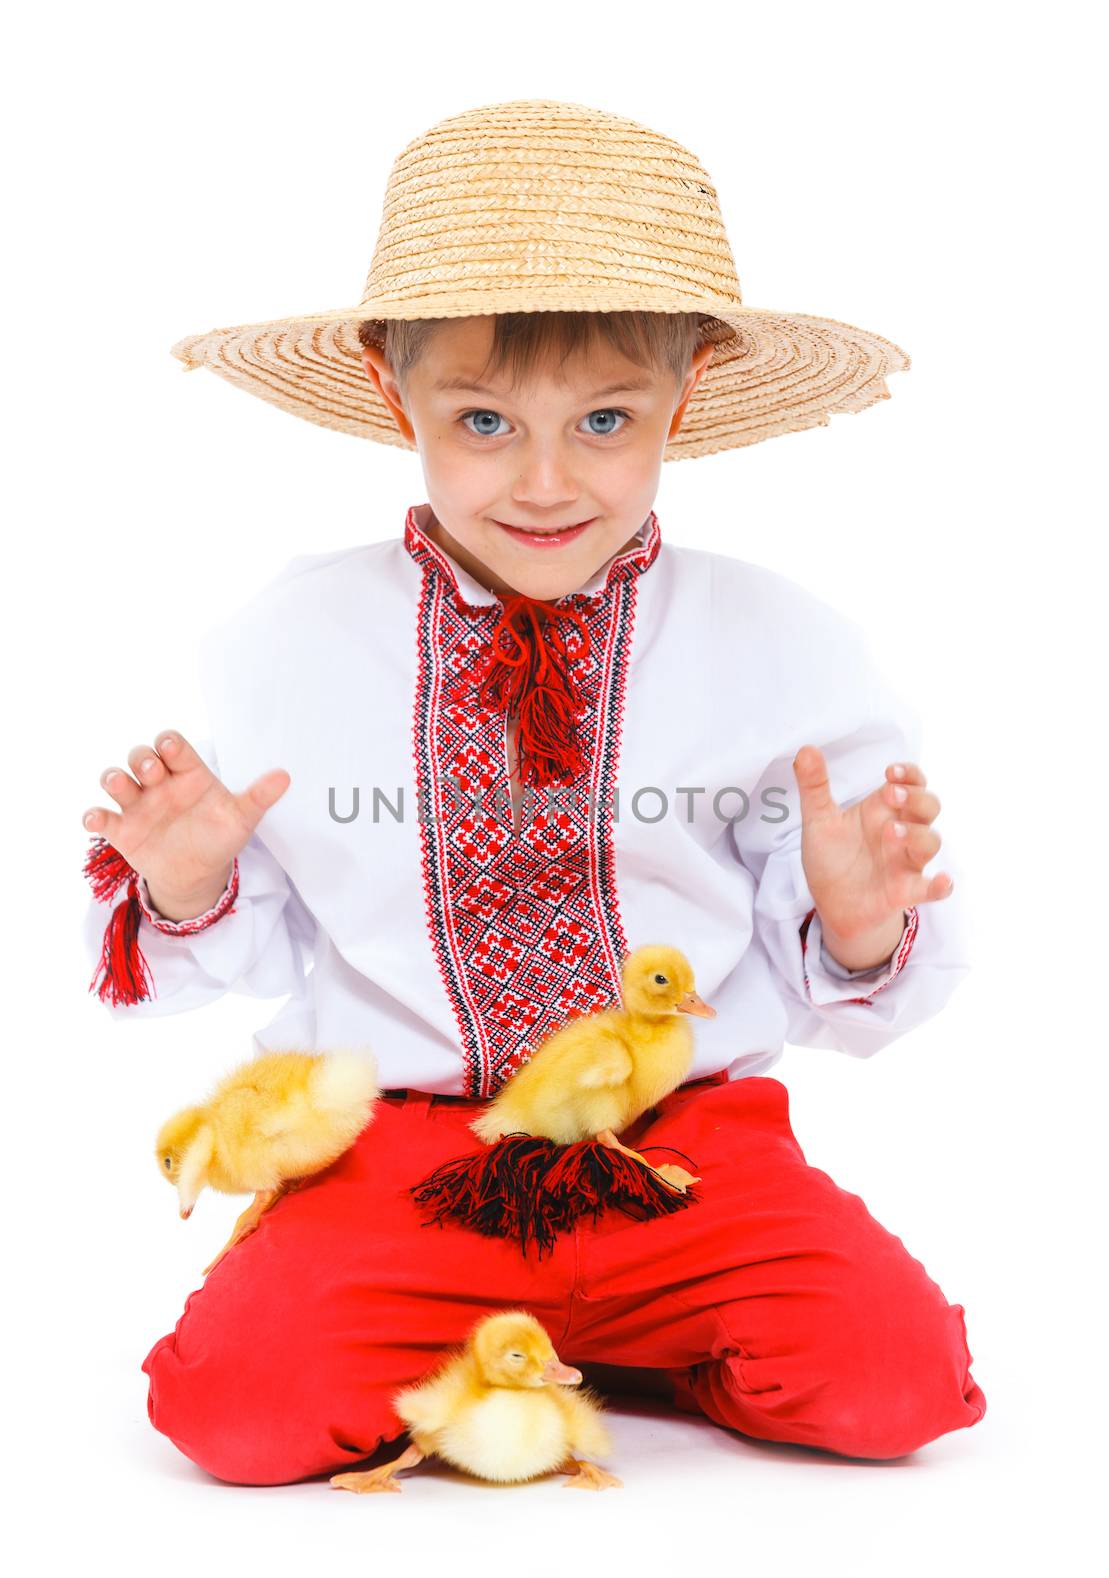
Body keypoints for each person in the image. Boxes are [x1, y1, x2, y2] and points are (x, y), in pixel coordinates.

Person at [82, 99, 985, 1485]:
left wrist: (859, 919)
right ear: (397, 395)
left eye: (606, 419)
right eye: (486, 420)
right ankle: (499, 1330)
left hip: (689, 1154)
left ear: (683, 399)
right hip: (403, 1157)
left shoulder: (783, 649)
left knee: (892, 1387)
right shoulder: (285, 647)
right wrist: (189, 883)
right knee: (239, 1417)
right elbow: (247, 954)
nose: (547, 481)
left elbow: (849, 985)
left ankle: (599, 1330)